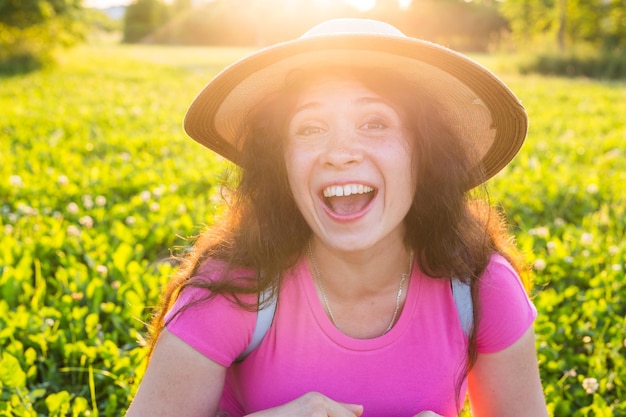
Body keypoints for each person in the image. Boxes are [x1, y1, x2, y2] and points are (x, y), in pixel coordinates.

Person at [125, 18, 548, 417]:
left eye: (375, 123)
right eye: (310, 128)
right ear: (282, 162)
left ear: (423, 153)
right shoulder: (233, 287)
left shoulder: (479, 286)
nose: (340, 152)